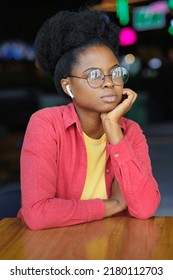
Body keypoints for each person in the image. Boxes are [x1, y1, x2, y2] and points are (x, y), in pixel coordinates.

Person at [18, 8, 161, 230]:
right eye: (94, 75)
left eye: (115, 72)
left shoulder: (130, 131)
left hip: (111, 245)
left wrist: (114, 130)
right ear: (68, 86)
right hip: (52, 249)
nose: (109, 82)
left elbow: (144, 208)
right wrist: (112, 205)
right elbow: (38, 214)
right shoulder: (46, 124)